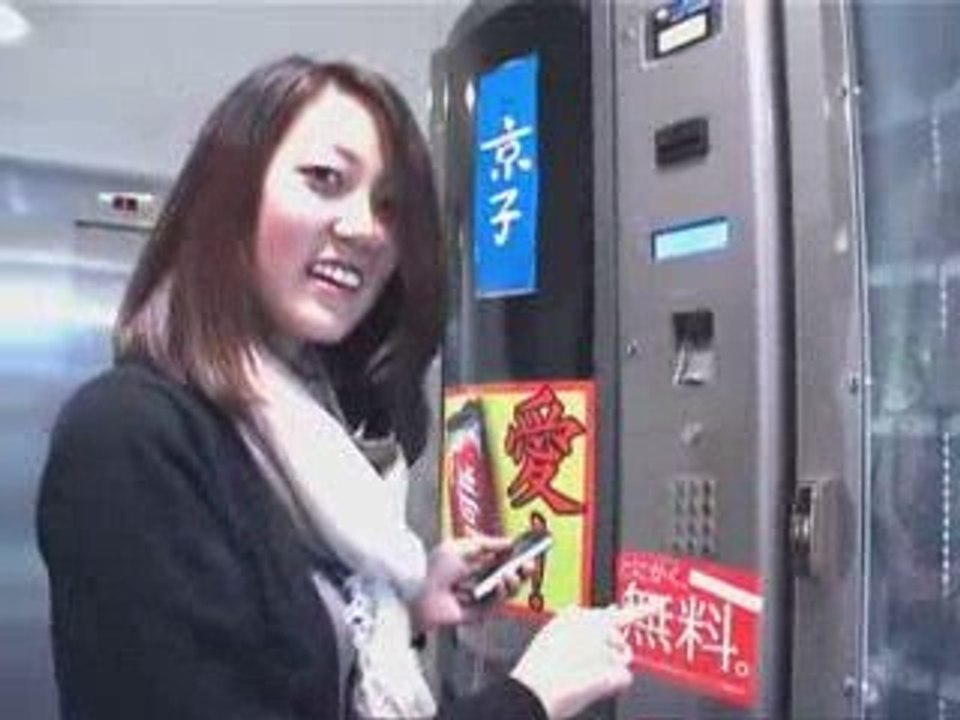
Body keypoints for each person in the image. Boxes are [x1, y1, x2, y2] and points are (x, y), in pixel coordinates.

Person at [36, 55, 633, 720]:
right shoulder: (130, 433)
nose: (366, 230)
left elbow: (279, 657)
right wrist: (530, 697)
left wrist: (411, 603)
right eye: (324, 180)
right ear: (230, 194)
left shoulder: (312, 428)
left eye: (389, 207)